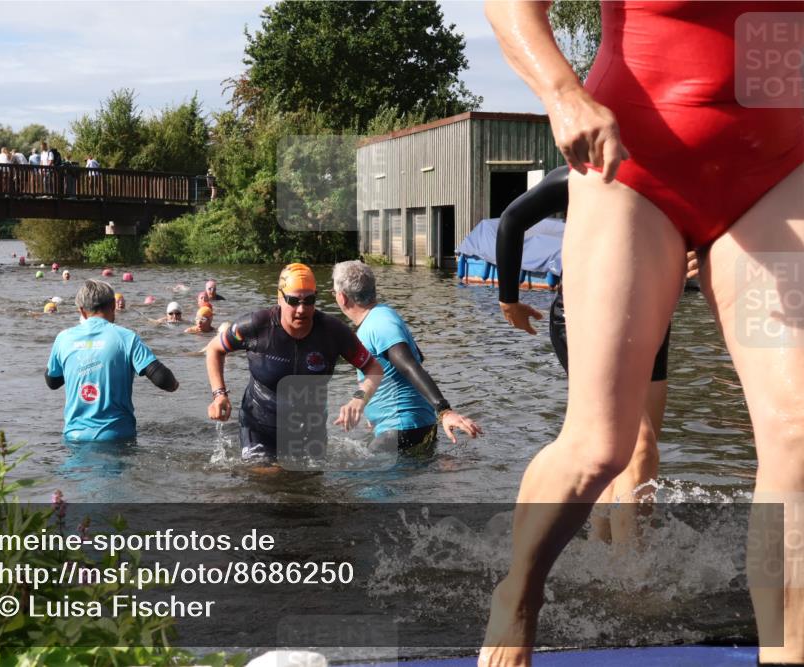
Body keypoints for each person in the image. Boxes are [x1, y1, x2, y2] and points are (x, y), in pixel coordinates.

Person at [481, 3, 803, 666]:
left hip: (776, 170)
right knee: (601, 447)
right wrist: (562, 93)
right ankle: (519, 591)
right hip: (632, 164)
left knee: (799, 431)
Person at [496, 165, 673, 542]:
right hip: (586, 319)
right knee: (639, 446)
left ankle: (601, 545)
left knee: (632, 455)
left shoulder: (678, 173)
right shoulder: (583, 176)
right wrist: (508, 299)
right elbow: (512, 219)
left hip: (654, 318)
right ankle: (632, 571)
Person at [204, 263, 385, 462]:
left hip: (309, 431)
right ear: (280, 298)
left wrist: (359, 399)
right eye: (293, 301)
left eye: (309, 300)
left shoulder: (333, 332)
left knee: (309, 480)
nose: (301, 309)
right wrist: (219, 394)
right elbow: (214, 349)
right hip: (260, 426)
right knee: (265, 476)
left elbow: (373, 368)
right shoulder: (256, 326)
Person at [332, 260, 483, 454]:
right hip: (411, 425)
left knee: (359, 470)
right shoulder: (383, 316)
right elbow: (416, 358)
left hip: (401, 427)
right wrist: (374, 410)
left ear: (342, 297)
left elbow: (409, 366)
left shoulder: (379, 324)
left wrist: (444, 410)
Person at [45, 279, 178, 442]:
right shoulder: (126, 338)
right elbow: (161, 378)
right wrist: (174, 385)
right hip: (117, 438)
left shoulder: (63, 338)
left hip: (74, 438)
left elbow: (52, 382)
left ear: (81, 311)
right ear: (113, 305)